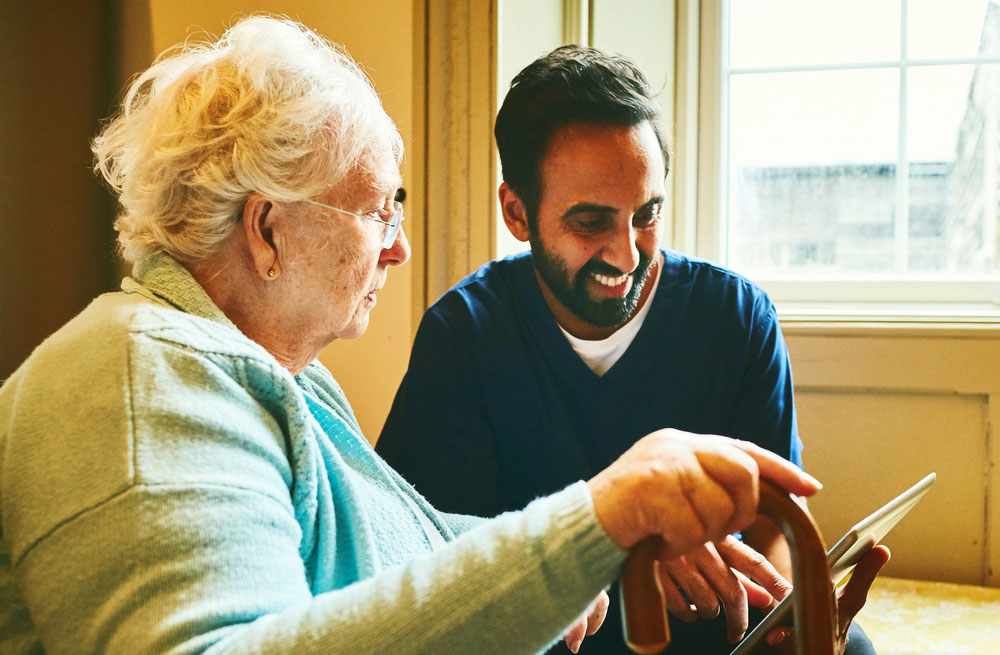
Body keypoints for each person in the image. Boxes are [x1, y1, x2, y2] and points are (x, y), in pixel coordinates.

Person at [0, 16, 874, 655]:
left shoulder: (286, 381)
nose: (401, 243)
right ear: (266, 229)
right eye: (379, 206)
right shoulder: (137, 382)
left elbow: (406, 546)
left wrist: (593, 544)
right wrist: (604, 514)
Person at [377, 45, 880, 653]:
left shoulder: (738, 319)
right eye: (591, 223)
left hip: (713, 635)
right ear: (517, 212)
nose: (628, 253)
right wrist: (623, 549)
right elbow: (419, 545)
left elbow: (773, 524)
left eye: (647, 214)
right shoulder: (464, 337)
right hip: (557, 635)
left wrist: (791, 609)